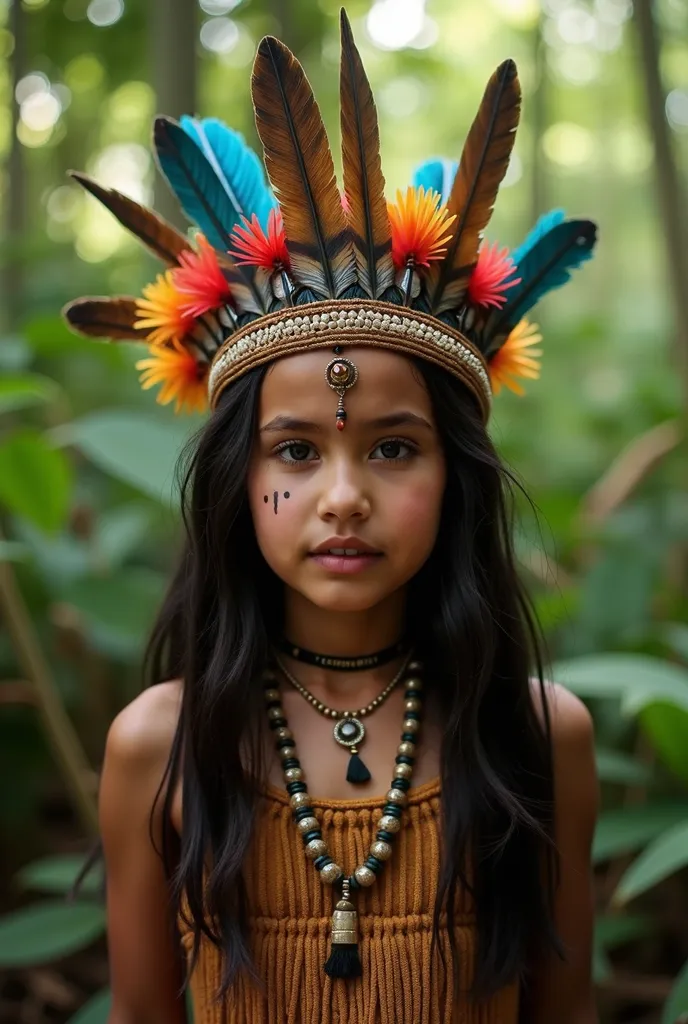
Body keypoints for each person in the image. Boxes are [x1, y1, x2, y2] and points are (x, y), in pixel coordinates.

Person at [65, 10, 600, 1023]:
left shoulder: (534, 735)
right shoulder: (159, 745)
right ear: (236, 480)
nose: (343, 496)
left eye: (393, 447)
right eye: (296, 451)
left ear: (457, 478)